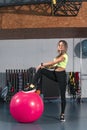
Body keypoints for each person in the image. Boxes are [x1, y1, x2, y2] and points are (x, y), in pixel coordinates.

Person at [24, 40, 68, 122]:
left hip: (62, 76)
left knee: (63, 96)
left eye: (62, 45)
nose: (60, 46)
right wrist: (43, 68)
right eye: (59, 45)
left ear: (65, 47)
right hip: (55, 74)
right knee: (41, 70)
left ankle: (62, 114)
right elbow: (52, 66)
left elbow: (53, 62)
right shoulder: (57, 56)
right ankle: (32, 86)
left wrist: (41, 64)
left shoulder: (64, 56)